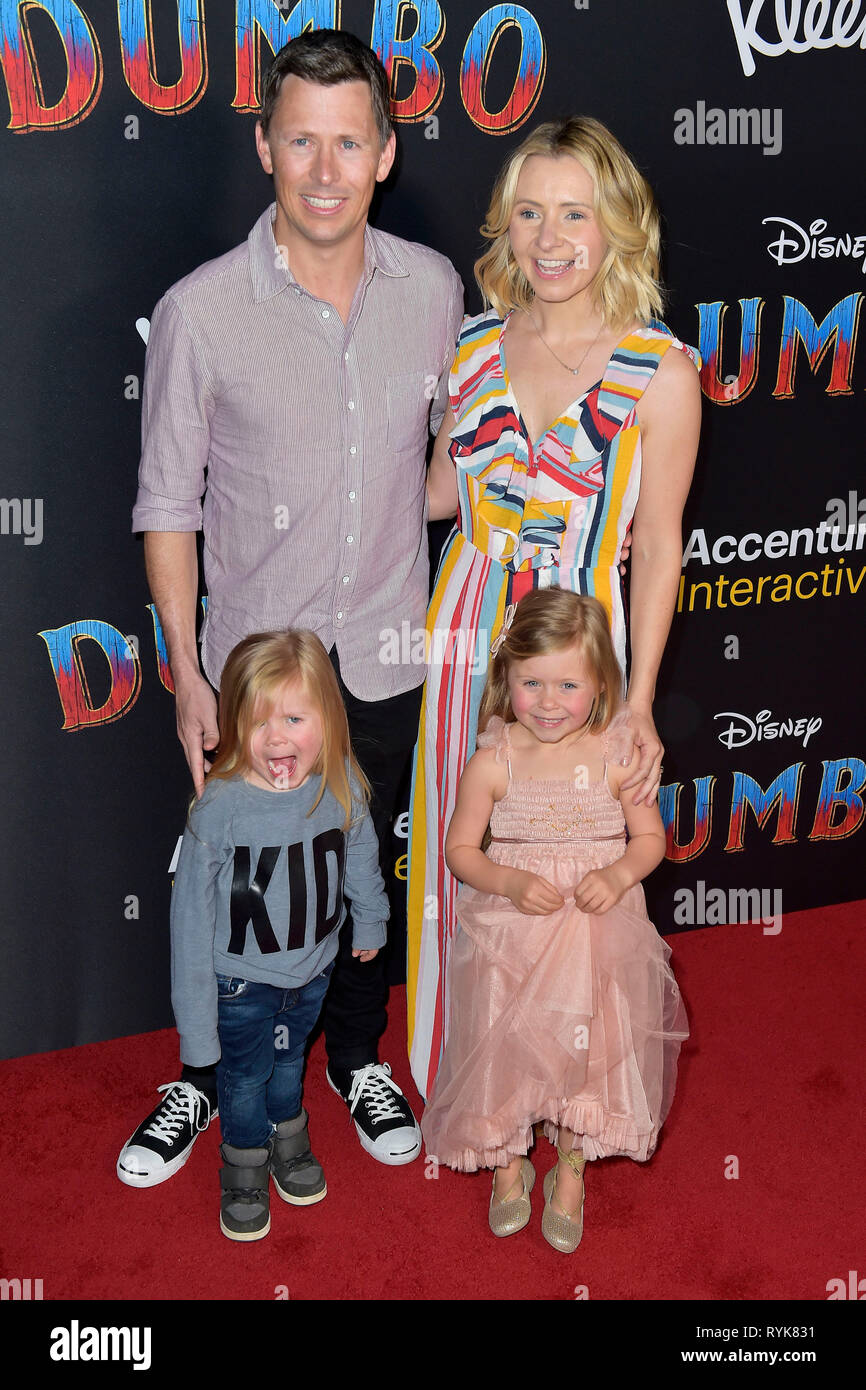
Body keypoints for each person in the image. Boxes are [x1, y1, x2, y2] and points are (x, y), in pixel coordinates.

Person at [119, 29, 464, 1188]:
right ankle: (210, 1078)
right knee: (234, 890)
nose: (325, 168)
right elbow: (167, 504)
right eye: (300, 140)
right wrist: (184, 676)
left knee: (367, 877)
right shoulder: (200, 312)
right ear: (264, 144)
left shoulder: (431, 289)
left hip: (384, 652)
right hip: (254, 674)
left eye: (348, 141)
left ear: (385, 154)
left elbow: (431, 470)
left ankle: (355, 1055)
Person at [407, 115, 702, 1100]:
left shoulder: (659, 372)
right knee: (472, 848)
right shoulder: (475, 344)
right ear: (504, 224)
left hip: (584, 642)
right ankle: (469, 1076)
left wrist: (640, 698)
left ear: (616, 223)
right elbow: (442, 496)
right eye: (528, 211)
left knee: (573, 869)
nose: (546, 236)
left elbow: (658, 545)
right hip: (464, 627)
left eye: (572, 211)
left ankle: (571, 1097)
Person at [420, 588, 689, 1251]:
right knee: (504, 1043)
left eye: (567, 684)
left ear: (600, 684)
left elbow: (651, 840)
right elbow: (459, 851)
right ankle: (507, 1161)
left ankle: (571, 1162)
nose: (546, 701)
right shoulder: (493, 759)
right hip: (513, 933)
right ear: (506, 678)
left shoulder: (618, 754)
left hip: (599, 931)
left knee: (588, 1046)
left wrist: (619, 873)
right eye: (530, 682)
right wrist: (507, 878)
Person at [170, 630, 387, 1240]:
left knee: (290, 1060)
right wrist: (195, 1024)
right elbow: (188, 922)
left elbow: (363, 849)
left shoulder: (339, 776)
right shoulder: (219, 807)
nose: (277, 737)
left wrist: (369, 918)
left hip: (313, 971)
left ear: (330, 719)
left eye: (295, 717)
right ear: (233, 723)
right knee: (243, 1078)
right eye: (259, 720)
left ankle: (287, 1132)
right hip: (240, 981)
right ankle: (242, 1163)